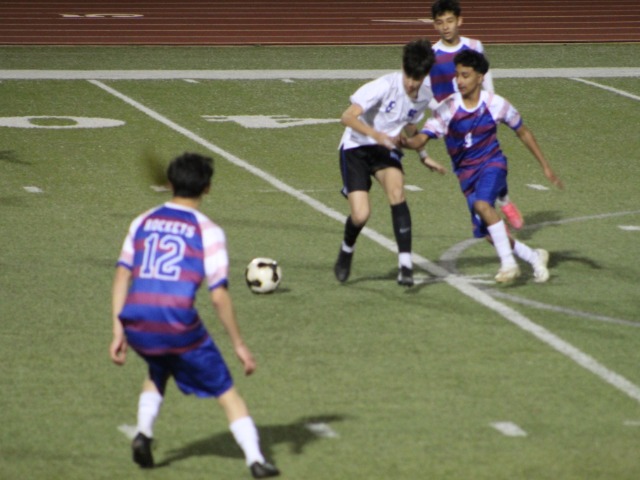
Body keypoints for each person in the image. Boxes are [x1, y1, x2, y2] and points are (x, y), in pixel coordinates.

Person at [109, 152, 280, 478]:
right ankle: (256, 460)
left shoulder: (142, 220)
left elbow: (121, 275)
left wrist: (119, 329)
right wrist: (239, 344)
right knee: (226, 391)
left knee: (159, 369)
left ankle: (143, 434)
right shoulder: (208, 231)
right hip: (177, 323)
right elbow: (218, 296)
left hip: (137, 322)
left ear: (169, 183)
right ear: (208, 187)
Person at [403, 50, 564, 283]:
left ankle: (509, 265)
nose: (459, 81)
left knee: (482, 205)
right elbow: (421, 139)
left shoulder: (496, 104)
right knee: (489, 233)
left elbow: (523, 132)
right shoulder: (448, 109)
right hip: (466, 176)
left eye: (465, 75)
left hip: (492, 164)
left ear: (480, 77)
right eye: (457, 75)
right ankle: (534, 256)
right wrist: (404, 142)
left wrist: (545, 166)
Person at [334, 38, 446, 287]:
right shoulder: (383, 86)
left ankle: (405, 266)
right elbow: (347, 117)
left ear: (425, 75)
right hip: (356, 147)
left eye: (417, 78)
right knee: (361, 215)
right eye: (409, 75)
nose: (411, 83)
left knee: (397, 193)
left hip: (385, 150)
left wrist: (423, 155)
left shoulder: (424, 96)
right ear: (403, 67)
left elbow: (410, 124)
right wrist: (376, 135)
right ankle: (347, 248)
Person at [428, 0, 524, 230]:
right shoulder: (431, 55)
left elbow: (486, 79)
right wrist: (443, 111)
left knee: (491, 161)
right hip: (454, 127)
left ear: (459, 21)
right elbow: (426, 93)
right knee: (468, 171)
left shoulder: (474, 45)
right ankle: (490, 216)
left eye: (450, 21)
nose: (446, 27)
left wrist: (490, 105)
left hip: (479, 117)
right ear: (434, 25)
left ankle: (504, 203)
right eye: (440, 22)